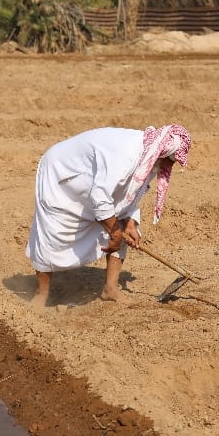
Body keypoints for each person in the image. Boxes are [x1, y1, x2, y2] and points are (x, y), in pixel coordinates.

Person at [25, 124, 191, 306]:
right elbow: (100, 195)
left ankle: (110, 289)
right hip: (62, 173)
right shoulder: (125, 154)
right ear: (163, 153)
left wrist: (128, 222)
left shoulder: (150, 157)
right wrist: (114, 232)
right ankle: (41, 294)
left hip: (93, 181)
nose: (170, 166)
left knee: (123, 228)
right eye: (171, 161)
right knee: (54, 230)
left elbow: (128, 192)